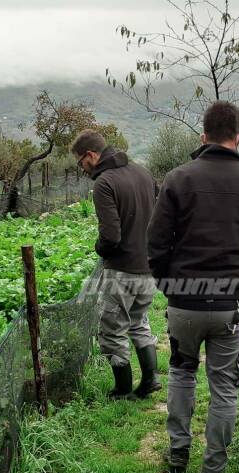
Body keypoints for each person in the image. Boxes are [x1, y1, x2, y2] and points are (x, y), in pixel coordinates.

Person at [147, 101, 239, 473]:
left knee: (181, 371)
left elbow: (155, 245)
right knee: (225, 387)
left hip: (184, 302)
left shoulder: (177, 179)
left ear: (203, 136)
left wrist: (170, 286)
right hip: (229, 307)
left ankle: (176, 456)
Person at [71, 129, 160, 400]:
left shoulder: (104, 183)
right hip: (148, 268)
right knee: (139, 323)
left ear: (91, 155)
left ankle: (122, 391)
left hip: (121, 270)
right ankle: (150, 380)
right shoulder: (143, 173)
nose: (82, 169)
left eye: (80, 162)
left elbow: (110, 236)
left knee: (111, 332)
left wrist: (99, 248)